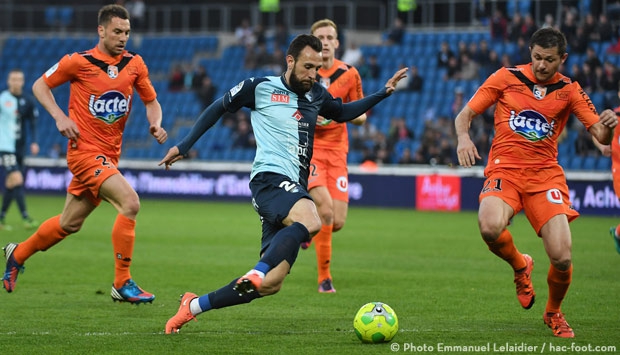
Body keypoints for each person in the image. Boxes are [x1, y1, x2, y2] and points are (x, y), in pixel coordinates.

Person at [160, 34, 407, 334]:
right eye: (307, 67)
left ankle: (193, 305)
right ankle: (257, 270)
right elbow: (217, 108)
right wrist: (184, 146)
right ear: (289, 61)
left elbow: (342, 113)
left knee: (271, 284)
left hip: (293, 187)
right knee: (313, 219)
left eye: (317, 68)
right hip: (269, 179)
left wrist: (383, 92)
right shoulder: (259, 87)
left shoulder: (316, 93)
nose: (313, 74)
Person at [455, 27, 617, 339]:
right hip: (505, 171)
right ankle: (520, 265)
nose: (542, 65)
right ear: (530, 53)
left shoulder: (570, 90)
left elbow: (600, 136)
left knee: (562, 256)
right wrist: (463, 138)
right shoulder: (505, 77)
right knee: (488, 226)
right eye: (537, 58)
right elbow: (465, 114)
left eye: (550, 60)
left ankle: (553, 312)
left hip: (545, 176)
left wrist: (608, 128)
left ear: (563, 59)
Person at [1, 4, 168, 304]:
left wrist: (155, 123)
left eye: (127, 32)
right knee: (130, 203)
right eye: (117, 31)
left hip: (108, 156)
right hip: (83, 153)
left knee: (69, 224)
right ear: (101, 30)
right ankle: (123, 282)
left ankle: (18, 253)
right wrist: (59, 117)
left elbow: (151, 101)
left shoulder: (135, 64)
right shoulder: (79, 62)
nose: (123, 37)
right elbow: (41, 85)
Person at [297, 19, 367, 293]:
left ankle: (306, 228)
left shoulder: (350, 74)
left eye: (329, 37)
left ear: (337, 43)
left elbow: (360, 113)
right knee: (324, 210)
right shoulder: (302, 74)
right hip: (311, 150)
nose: (325, 42)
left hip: (338, 152)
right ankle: (324, 278)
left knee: (336, 221)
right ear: (312, 43)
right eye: (320, 37)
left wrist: (344, 114)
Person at [0, 69, 40, 231]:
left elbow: (33, 123)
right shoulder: (2, 99)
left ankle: (1, 218)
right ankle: (26, 217)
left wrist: (35, 141)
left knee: (11, 184)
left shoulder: (28, 101)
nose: (16, 82)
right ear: (9, 81)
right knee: (17, 179)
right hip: (5, 147)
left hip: (20, 148)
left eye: (19, 79)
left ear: (23, 82)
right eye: (13, 79)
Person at [593, 89, 620, 254]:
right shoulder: (614, 116)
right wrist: (602, 146)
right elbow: (595, 132)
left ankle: (617, 233)